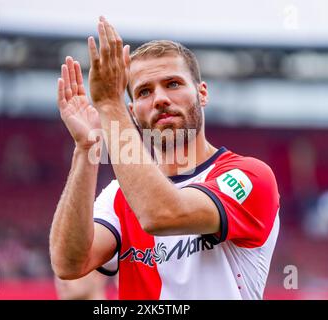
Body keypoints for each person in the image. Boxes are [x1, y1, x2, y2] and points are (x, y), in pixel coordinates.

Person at [49, 16, 280, 299]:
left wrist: (110, 105)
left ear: (202, 93)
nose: (159, 98)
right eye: (144, 91)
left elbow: (162, 213)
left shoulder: (249, 176)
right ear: (133, 111)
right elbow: (69, 263)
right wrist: (86, 150)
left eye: (172, 84)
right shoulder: (118, 195)